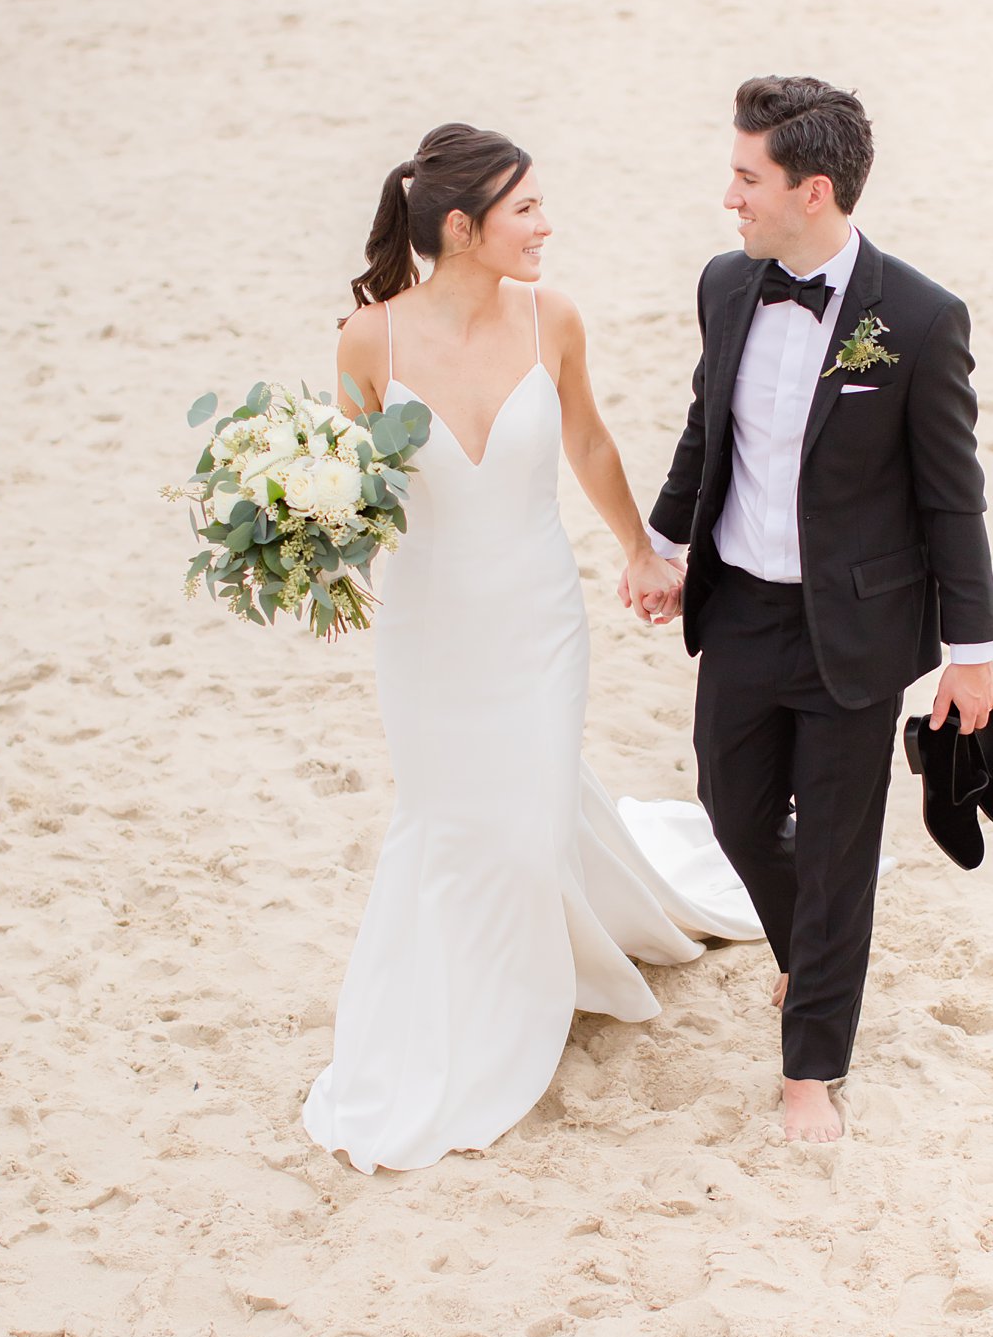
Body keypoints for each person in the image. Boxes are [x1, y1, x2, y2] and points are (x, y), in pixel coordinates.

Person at [301, 121, 764, 1175]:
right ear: (461, 228)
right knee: (453, 816)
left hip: (535, 616)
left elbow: (589, 440)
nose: (544, 225)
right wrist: (307, 537)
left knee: (526, 816)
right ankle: (457, 995)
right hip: (427, 630)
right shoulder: (367, 340)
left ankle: (521, 1004)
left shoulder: (551, 318)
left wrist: (641, 551)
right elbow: (351, 487)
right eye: (524, 209)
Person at [633, 76, 993, 1144]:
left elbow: (951, 493)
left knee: (839, 844)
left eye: (745, 179)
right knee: (731, 806)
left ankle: (811, 1074)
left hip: (858, 630)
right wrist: (661, 547)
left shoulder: (920, 319)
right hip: (743, 610)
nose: (728, 199)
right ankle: (806, 952)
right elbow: (706, 434)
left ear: (812, 190)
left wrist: (969, 652)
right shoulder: (725, 286)